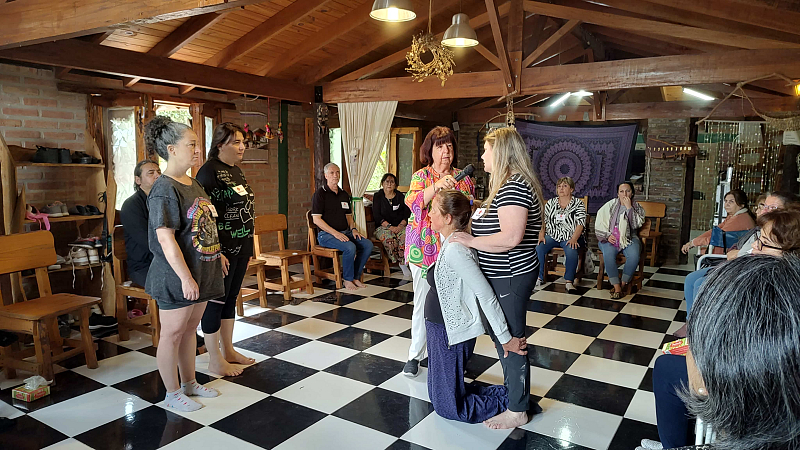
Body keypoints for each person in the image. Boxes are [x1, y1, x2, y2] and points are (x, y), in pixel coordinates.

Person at [646, 209, 800, 450]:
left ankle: (673, 446)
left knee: (666, 368)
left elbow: (742, 360)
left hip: (756, 393)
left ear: (791, 253)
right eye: (757, 239)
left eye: (763, 243)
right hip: (772, 391)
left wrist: (699, 357)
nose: (754, 247)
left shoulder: (768, 292)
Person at [451, 127, 543, 429]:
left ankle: (518, 410)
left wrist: (471, 241)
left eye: (486, 150)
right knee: (503, 338)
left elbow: (512, 237)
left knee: (511, 341)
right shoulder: (508, 185)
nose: (482, 156)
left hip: (511, 275)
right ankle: (514, 395)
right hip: (503, 274)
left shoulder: (514, 186)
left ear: (501, 152)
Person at [425, 190, 527, 424]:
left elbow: (485, 295)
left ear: (448, 218)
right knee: (438, 395)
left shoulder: (457, 249)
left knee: (448, 408)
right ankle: (507, 396)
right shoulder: (451, 240)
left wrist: (504, 338)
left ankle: (513, 402)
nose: (429, 214)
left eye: (433, 210)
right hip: (437, 328)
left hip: (449, 333)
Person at [144, 115, 225, 412]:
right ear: (171, 149)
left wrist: (218, 254)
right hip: (176, 276)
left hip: (201, 270)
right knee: (173, 333)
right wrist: (186, 278)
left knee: (190, 330)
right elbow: (166, 239)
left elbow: (201, 225)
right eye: (191, 144)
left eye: (197, 144)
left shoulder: (192, 183)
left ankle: (189, 382)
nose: (197, 149)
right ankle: (172, 393)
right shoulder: (164, 188)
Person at [403, 126, 474, 378]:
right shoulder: (421, 176)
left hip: (452, 248)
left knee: (453, 303)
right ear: (429, 151)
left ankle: (447, 355)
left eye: (449, 146)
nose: (446, 151)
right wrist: (437, 186)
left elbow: (468, 211)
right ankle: (415, 354)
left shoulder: (463, 178)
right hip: (422, 249)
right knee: (423, 302)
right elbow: (413, 202)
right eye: (440, 146)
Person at [196, 123, 256, 377]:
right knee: (216, 301)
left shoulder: (236, 171)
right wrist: (216, 251)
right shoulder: (208, 172)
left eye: (243, 142)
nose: (242, 147)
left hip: (241, 245)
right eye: (236, 142)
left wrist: (248, 246)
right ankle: (214, 359)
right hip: (220, 250)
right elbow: (203, 217)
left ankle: (228, 350)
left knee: (231, 298)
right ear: (220, 144)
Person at [681, 191, 797, 318]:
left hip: (739, 268)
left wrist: (693, 243)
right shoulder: (748, 224)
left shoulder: (743, 220)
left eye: (772, 208)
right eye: (763, 206)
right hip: (734, 265)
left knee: (700, 283)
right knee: (692, 279)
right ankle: (691, 322)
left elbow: (717, 238)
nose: (764, 211)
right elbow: (715, 233)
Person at [312, 163, 373, 291]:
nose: (335, 175)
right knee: (350, 247)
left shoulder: (343, 194)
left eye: (337, 172)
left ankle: (355, 277)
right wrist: (335, 233)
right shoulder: (320, 194)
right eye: (332, 173)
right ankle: (348, 279)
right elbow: (316, 219)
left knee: (367, 245)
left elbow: (348, 216)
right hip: (326, 235)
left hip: (345, 232)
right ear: (326, 175)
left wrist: (353, 229)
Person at [535, 176, 586, 293]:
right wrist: (541, 235)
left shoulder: (578, 203)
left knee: (571, 249)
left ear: (571, 189)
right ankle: (539, 277)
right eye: (559, 186)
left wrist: (574, 239)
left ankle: (569, 281)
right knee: (539, 247)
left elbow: (581, 223)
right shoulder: (551, 203)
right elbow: (543, 221)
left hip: (570, 236)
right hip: (553, 235)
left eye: (565, 186)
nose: (561, 188)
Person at [595, 181, 646, 299]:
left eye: (628, 191)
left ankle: (623, 284)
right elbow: (600, 222)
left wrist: (629, 208)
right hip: (610, 237)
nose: (625, 194)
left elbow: (636, 225)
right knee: (608, 254)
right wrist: (607, 235)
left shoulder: (637, 207)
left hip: (629, 237)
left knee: (634, 255)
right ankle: (616, 287)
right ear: (618, 194)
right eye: (621, 191)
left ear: (632, 193)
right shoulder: (610, 205)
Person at [120, 159, 161, 287]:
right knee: (174, 285)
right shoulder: (131, 205)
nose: (157, 176)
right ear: (138, 180)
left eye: (159, 172)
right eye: (151, 173)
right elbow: (146, 240)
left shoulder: (163, 201)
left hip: (166, 260)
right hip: (143, 266)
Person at [680, 189, 755, 255]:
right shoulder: (735, 216)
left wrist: (693, 243)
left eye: (731, 202)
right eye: (726, 201)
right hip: (730, 253)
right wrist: (693, 242)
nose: (727, 204)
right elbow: (714, 231)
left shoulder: (739, 219)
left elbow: (716, 238)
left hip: (729, 256)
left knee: (706, 249)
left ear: (741, 205)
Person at [372, 173, 411, 276]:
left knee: (405, 237)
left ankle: (403, 263)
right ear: (382, 183)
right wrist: (390, 227)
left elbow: (407, 214)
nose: (389, 184)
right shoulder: (378, 196)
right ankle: (395, 260)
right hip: (383, 227)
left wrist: (400, 226)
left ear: (396, 185)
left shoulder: (400, 196)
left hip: (400, 226)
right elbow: (377, 216)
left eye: (392, 182)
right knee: (390, 239)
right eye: (387, 181)